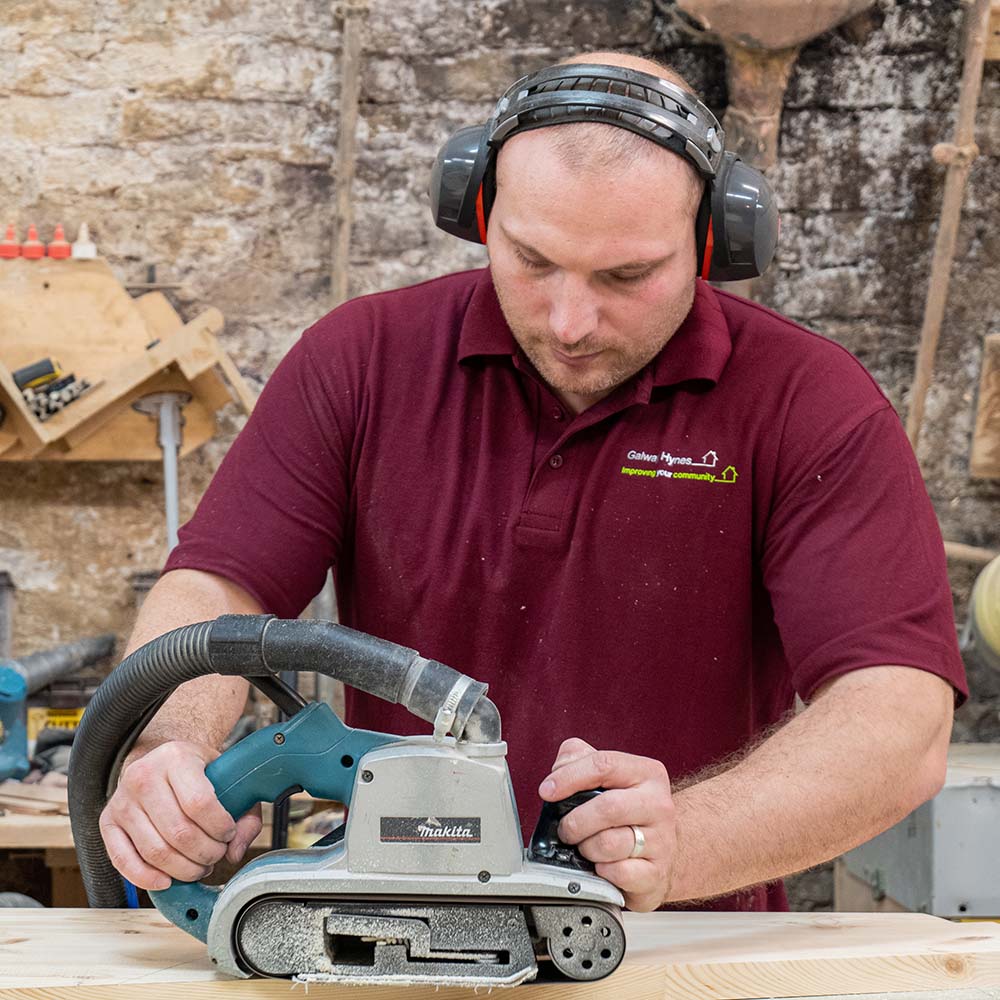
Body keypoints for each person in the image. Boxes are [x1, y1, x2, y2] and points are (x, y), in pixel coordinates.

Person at [99, 51, 965, 914]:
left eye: (627, 276)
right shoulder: (361, 360)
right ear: (479, 210)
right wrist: (166, 749)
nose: (570, 322)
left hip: (668, 954)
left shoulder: (808, 403)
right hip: (384, 932)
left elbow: (899, 717)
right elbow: (216, 587)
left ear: (714, 240)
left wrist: (686, 840)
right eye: (533, 259)